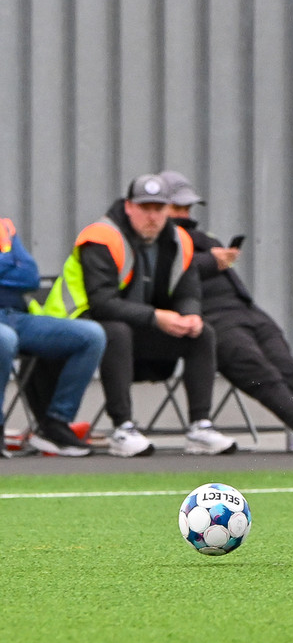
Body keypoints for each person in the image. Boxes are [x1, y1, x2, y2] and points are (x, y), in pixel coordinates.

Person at [162, 169, 293, 456]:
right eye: (177, 207)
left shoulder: (202, 237)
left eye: (187, 207)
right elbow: (166, 272)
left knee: (289, 368)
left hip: (246, 310)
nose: (184, 213)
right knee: (263, 375)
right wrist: (211, 261)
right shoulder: (159, 242)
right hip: (212, 318)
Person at [42, 173, 237, 457]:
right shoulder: (101, 237)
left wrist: (190, 315)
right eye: (145, 208)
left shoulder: (179, 241)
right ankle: (123, 427)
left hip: (134, 323)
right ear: (129, 206)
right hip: (72, 324)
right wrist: (157, 317)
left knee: (201, 333)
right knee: (117, 332)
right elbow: (102, 304)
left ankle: (200, 427)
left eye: (159, 209)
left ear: (168, 210)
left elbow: (188, 291)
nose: (152, 217)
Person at [0, 218, 106, 457]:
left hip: (16, 316)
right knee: (4, 339)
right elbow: (17, 272)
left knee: (91, 335)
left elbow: (30, 276)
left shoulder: (3, 228)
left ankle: (55, 424)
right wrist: (8, 264)